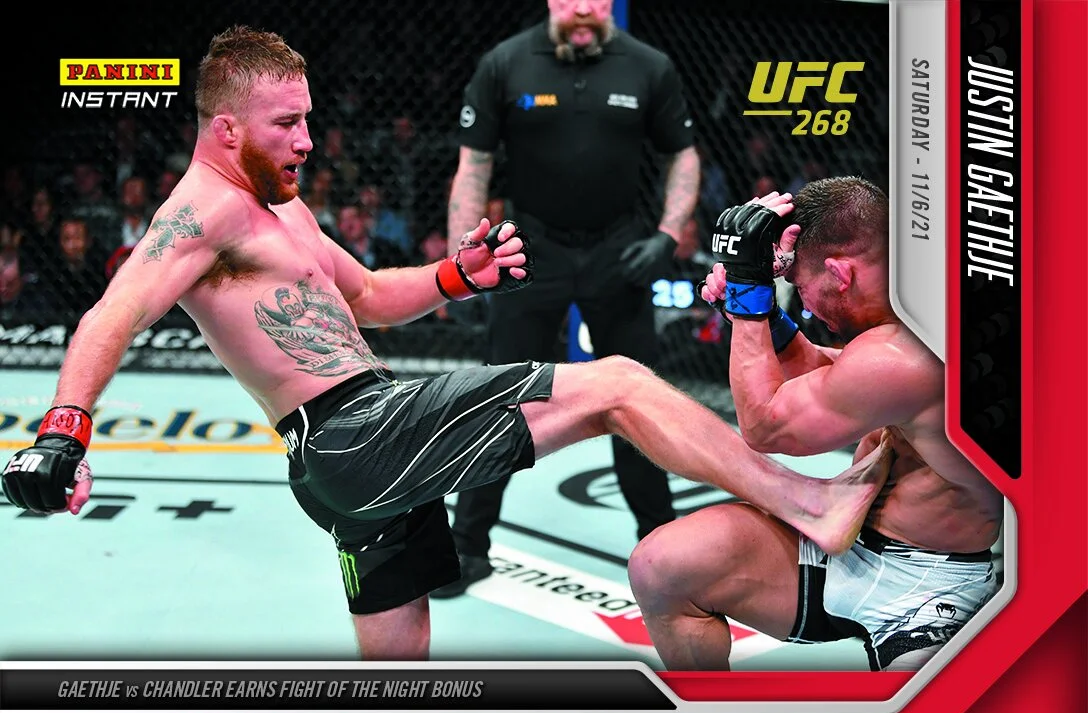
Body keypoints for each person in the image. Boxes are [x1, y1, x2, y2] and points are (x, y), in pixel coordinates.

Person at [0, 27, 893, 662]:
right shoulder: (199, 210)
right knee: (618, 381)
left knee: (399, 669)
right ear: (226, 127)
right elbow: (111, 314)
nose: (306, 140)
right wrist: (63, 431)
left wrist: (457, 277)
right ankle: (807, 504)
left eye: (307, 119)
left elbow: (367, 299)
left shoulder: (278, 204)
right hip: (354, 430)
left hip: (351, 458)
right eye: (285, 125)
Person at [628, 181, 1003, 671]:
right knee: (662, 567)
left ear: (840, 273)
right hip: (847, 546)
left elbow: (765, 429)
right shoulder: (908, 317)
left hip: (931, 585)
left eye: (801, 287)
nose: (804, 306)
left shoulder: (910, 353)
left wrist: (747, 296)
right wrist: (764, 317)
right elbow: (841, 379)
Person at [436, 0, 702, 597]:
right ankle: (468, 545)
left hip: (619, 248)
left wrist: (667, 235)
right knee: (498, 399)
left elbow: (681, 155)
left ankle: (665, 545)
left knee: (641, 401)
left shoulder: (648, 65)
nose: (583, 8)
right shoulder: (505, 63)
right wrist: (463, 263)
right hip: (529, 248)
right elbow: (473, 166)